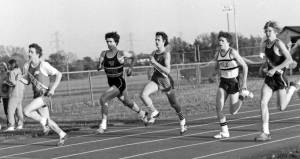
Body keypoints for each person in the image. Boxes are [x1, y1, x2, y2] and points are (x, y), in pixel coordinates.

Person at [254, 21, 299, 141]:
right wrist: (263, 67)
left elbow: (289, 59)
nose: (268, 33)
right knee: (263, 102)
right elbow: (269, 59)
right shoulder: (265, 44)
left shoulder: (278, 43)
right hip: (270, 79)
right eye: (266, 31)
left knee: (281, 107)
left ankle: (292, 88)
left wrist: (275, 69)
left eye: (270, 31)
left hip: (280, 78)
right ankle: (265, 132)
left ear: (275, 32)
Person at [96, 32, 148, 133]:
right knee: (127, 102)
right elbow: (99, 66)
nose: (109, 43)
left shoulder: (121, 53)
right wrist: (99, 66)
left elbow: (134, 56)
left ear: (116, 42)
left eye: (111, 41)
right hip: (111, 82)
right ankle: (142, 113)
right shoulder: (103, 54)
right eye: (107, 41)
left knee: (103, 99)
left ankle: (103, 125)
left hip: (119, 83)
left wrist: (130, 68)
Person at [17, 43, 67, 146]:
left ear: (38, 54)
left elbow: (59, 74)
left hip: (45, 96)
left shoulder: (44, 65)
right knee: (47, 121)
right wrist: (20, 79)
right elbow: (27, 81)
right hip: (37, 96)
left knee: (26, 111)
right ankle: (62, 134)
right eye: (29, 51)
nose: (29, 53)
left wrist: (53, 89)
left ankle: (43, 122)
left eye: (32, 52)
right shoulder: (27, 66)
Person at [140, 32, 187, 135]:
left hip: (165, 81)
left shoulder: (166, 54)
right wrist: (151, 68)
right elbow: (153, 66)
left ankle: (182, 120)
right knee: (143, 95)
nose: (156, 42)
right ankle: (154, 112)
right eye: (155, 40)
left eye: (158, 40)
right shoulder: (153, 53)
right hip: (156, 79)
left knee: (174, 104)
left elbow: (167, 71)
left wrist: (155, 63)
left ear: (163, 42)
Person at [213, 31, 253, 139]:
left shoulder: (232, 52)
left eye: (222, 40)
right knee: (218, 107)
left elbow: (245, 66)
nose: (220, 42)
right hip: (223, 82)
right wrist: (214, 72)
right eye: (219, 40)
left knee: (233, 112)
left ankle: (242, 96)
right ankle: (224, 132)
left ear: (228, 43)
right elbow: (216, 66)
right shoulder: (218, 53)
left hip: (234, 82)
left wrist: (244, 83)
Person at [4, 59, 25, 131]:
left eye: (9, 64)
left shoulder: (12, 72)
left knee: (10, 109)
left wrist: (6, 82)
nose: (8, 66)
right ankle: (20, 124)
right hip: (20, 93)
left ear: (12, 64)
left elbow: (13, 83)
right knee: (19, 109)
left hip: (14, 93)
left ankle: (11, 126)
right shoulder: (20, 71)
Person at [0, 62, 9, 128]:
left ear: (5, 67)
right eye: (0, 66)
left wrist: (6, 82)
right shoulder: (0, 74)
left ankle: (10, 122)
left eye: (2, 66)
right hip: (1, 94)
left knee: (7, 110)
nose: (1, 67)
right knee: (5, 109)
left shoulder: (8, 73)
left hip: (8, 94)